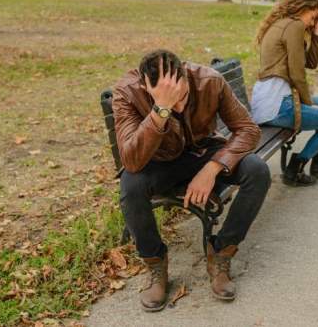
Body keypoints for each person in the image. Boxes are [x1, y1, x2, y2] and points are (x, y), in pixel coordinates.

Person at [113, 50, 270, 311]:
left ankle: (220, 254)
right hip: (159, 160)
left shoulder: (209, 80)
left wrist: (212, 168)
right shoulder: (128, 92)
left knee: (258, 170)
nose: (179, 107)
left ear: (185, 75)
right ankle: (156, 266)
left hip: (203, 152)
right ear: (145, 86)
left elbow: (248, 129)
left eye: (182, 95)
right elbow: (131, 160)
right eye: (168, 101)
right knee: (131, 186)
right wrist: (160, 110)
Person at [251, 0, 318, 186]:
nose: (315, 20)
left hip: (274, 98)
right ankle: (297, 165)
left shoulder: (286, 24)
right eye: (315, 16)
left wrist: (316, 31)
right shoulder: (293, 26)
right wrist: (308, 103)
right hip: (277, 106)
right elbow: (297, 74)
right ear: (304, 8)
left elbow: (310, 64)